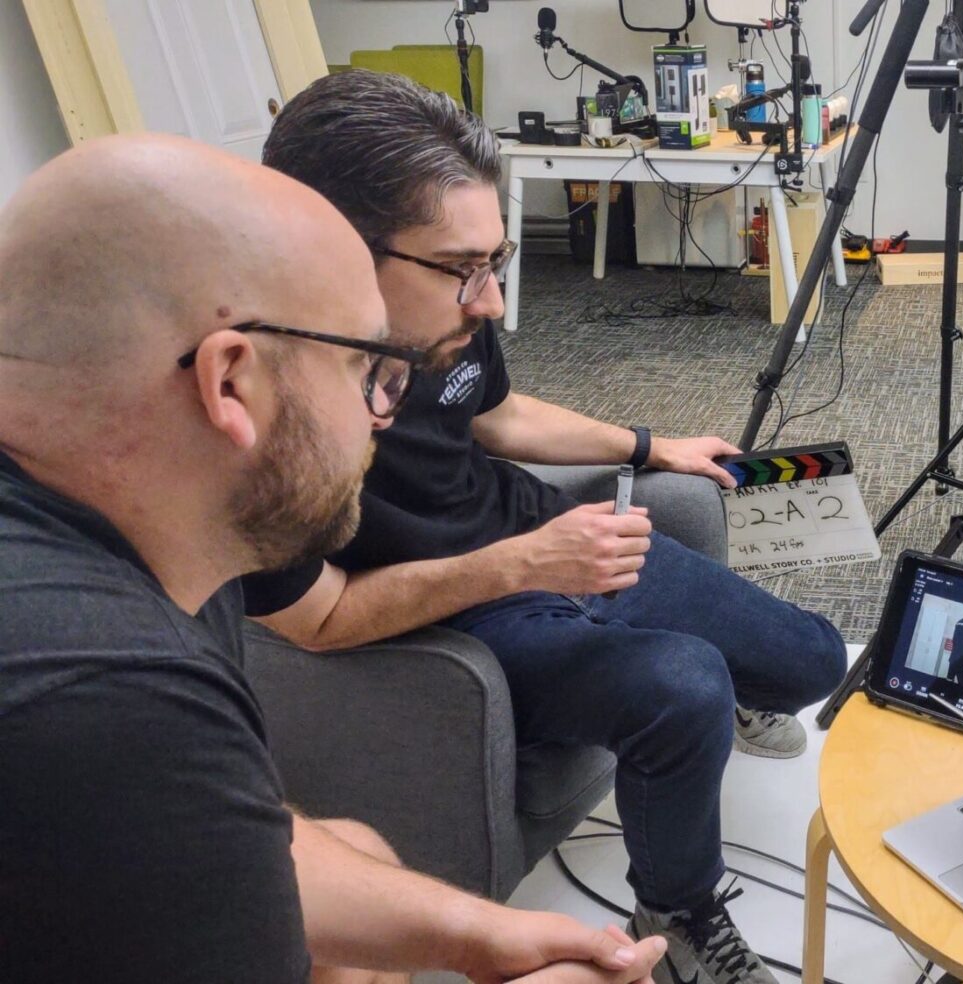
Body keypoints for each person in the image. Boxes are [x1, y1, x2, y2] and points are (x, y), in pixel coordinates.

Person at [0, 135, 664, 983]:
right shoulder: (109, 696)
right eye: (367, 371)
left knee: (355, 849)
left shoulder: (155, 541)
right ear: (230, 382)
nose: (381, 416)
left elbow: (253, 843)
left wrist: (477, 933)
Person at [241, 70, 846, 984]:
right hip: (458, 611)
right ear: (335, 250)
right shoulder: (258, 419)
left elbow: (498, 415)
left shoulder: (450, 313)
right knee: (685, 683)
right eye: (461, 269)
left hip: (546, 538)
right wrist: (519, 566)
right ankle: (678, 909)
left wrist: (653, 445)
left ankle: (718, 697)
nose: (489, 300)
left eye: (497, 260)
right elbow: (316, 620)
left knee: (816, 658)